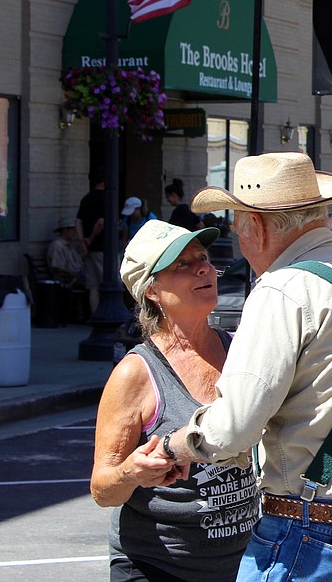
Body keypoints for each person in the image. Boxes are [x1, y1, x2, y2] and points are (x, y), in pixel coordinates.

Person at [163, 152, 332, 582]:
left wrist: (175, 446)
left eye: (238, 228)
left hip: (309, 535)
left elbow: (231, 431)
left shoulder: (283, 289)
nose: (240, 244)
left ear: (257, 227)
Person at [90, 220, 259, 581]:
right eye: (181, 264)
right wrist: (131, 472)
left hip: (244, 562)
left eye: (203, 258)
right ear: (151, 289)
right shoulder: (135, 373)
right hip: (157, 565)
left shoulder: (241, 351)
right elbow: (103, 489)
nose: (203, 268)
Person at [76, 168, 108, 314]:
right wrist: (90, 239)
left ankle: (95, 314)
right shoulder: (106, 198)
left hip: (89, 248)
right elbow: (101, 222)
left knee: (92, 286)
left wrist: (83, 240)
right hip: (103, 247)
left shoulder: (86, 198)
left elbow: (78, 221)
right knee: (108, 284)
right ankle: (106, 314)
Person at [47, 216, 85, 286]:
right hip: (68, 282)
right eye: (73, 229)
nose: (75, 232)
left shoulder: (69, 245)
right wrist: (75, 275)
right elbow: (59, 270)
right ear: (65, 230)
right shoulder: (57, 246)